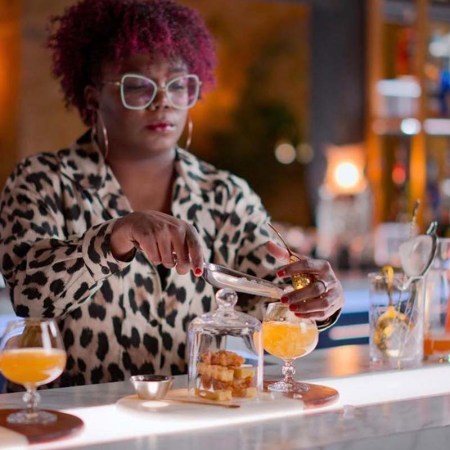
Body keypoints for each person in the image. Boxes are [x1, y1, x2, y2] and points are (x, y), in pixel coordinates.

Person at [0, 0, 344, 388]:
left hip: (190, 421)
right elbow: (30, 297)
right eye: (137, 86)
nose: (162, 100)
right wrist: (112, 239)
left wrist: (313, 297)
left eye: (178, 85)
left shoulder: (226, 194)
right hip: (83, 425)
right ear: (93, 98)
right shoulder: (42, 181)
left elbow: (267, 299)